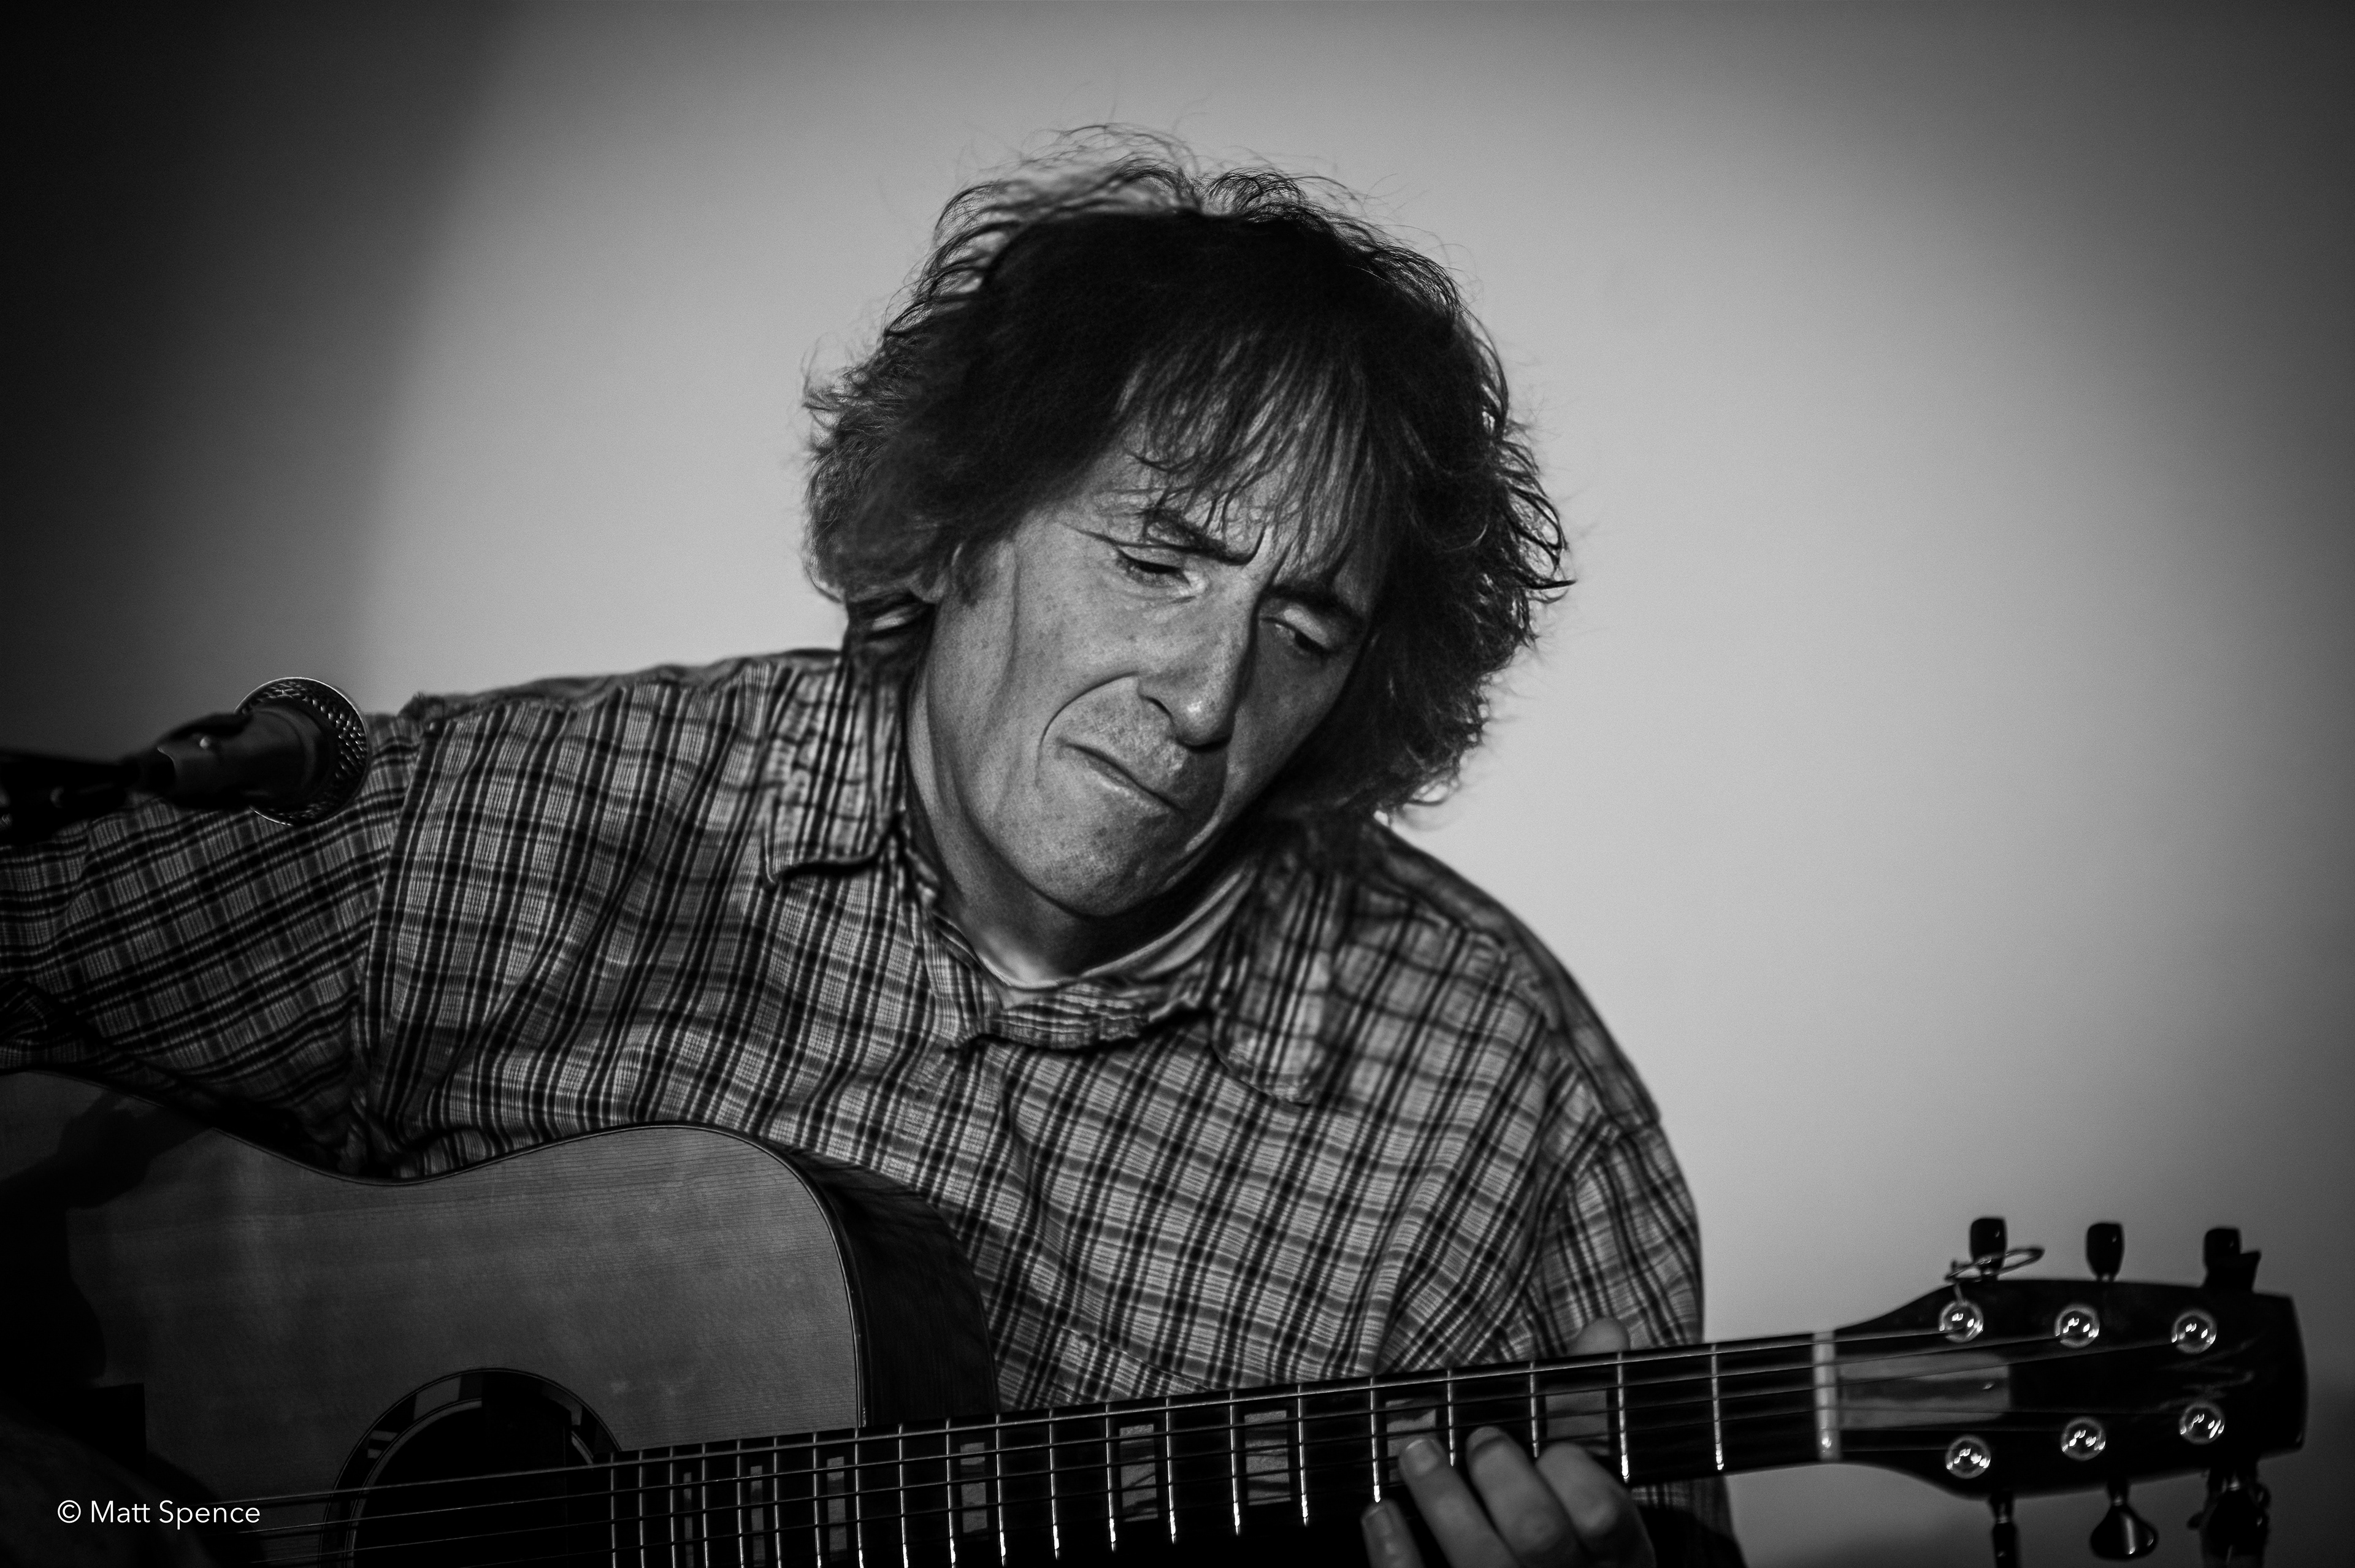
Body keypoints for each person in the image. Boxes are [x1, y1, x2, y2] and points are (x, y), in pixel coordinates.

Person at [1, 139, 1739, 1566]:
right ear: (965, 523)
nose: (1211, 695)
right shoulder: (523, 827)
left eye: (1303, 628)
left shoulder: (1503, 1101)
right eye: (1159, 560)